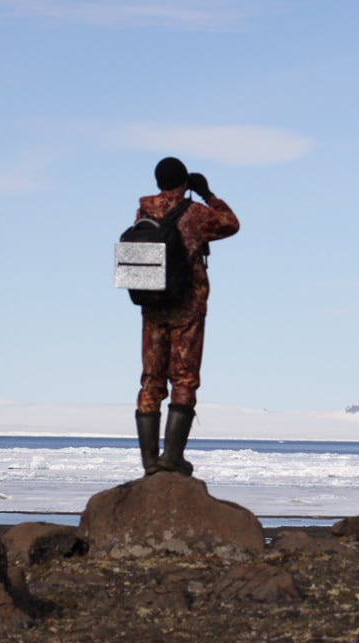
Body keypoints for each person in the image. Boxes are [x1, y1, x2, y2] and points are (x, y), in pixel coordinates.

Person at [134, 157, 239, 476]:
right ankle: (173, 456)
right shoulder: (194, 213)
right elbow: (230, 223)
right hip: (187, 306)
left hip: (152, 305)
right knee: (183, 378)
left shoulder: (143, 211)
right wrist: (207, 194)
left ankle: (150, 461)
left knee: (151, 379)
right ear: (184, 182)